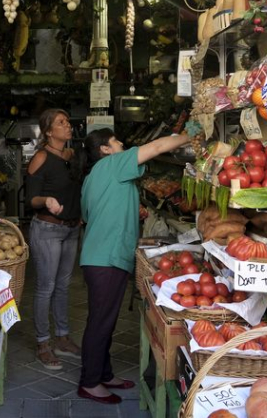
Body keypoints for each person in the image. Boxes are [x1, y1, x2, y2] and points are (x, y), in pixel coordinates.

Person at [77, 128, 190, 404]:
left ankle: (103, 373)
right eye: (116, 140)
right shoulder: (113, 164)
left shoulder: (93, 177)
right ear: (105, 149)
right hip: (106, 258)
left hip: (99, 257)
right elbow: (158, 145)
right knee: (100, 322)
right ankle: (89, 382)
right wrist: (192, 135)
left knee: (105, 319)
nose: (122, 142)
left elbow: (87, 216)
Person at [25, 108, 83, 370]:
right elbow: (31, 199)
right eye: (61, 123)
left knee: (63, 286)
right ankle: (42, 343)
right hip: (48, 230)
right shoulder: (40, 157)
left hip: (71, 230)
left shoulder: (70, 156)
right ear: (49, 131)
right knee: (46, 287)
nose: (67, 126)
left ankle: (62, 337)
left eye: (68, 122)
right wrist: (46, 201)